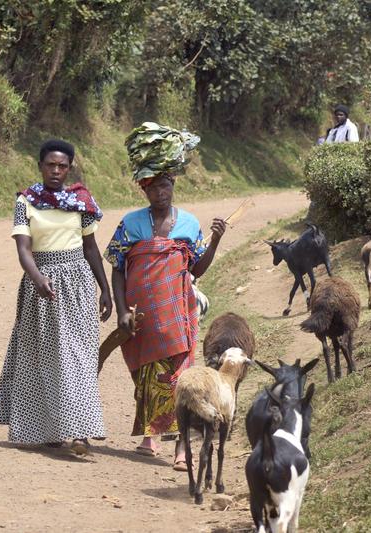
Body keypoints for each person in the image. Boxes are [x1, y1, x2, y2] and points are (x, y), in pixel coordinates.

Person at [105, 125, 226, 471]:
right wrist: (120, 310)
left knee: (180, 378)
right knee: (148, 376)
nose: (162, 192)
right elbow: (117, 267)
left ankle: (182, 449)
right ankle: (150, 437)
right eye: (155, 186)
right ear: (145, 189)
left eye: (167, 185)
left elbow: (197, 270)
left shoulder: (188, 224)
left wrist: (215, 241)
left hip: (177, 316)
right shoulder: (130, 225)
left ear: (174, 186)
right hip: (141, 317)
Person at [0, 139, 112, 456]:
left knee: (78, 359)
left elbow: (90, 249)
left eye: (62, 166)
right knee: (42, 358)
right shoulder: (26, 202)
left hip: (78, 285)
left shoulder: (81, 201)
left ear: (69, 167)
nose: (56, 170)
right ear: (40, 165)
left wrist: (105, 289)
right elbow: (23, 249)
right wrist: (38, 278)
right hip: (40, 287)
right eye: (50, 165)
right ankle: (48, 430)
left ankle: (80, 433)